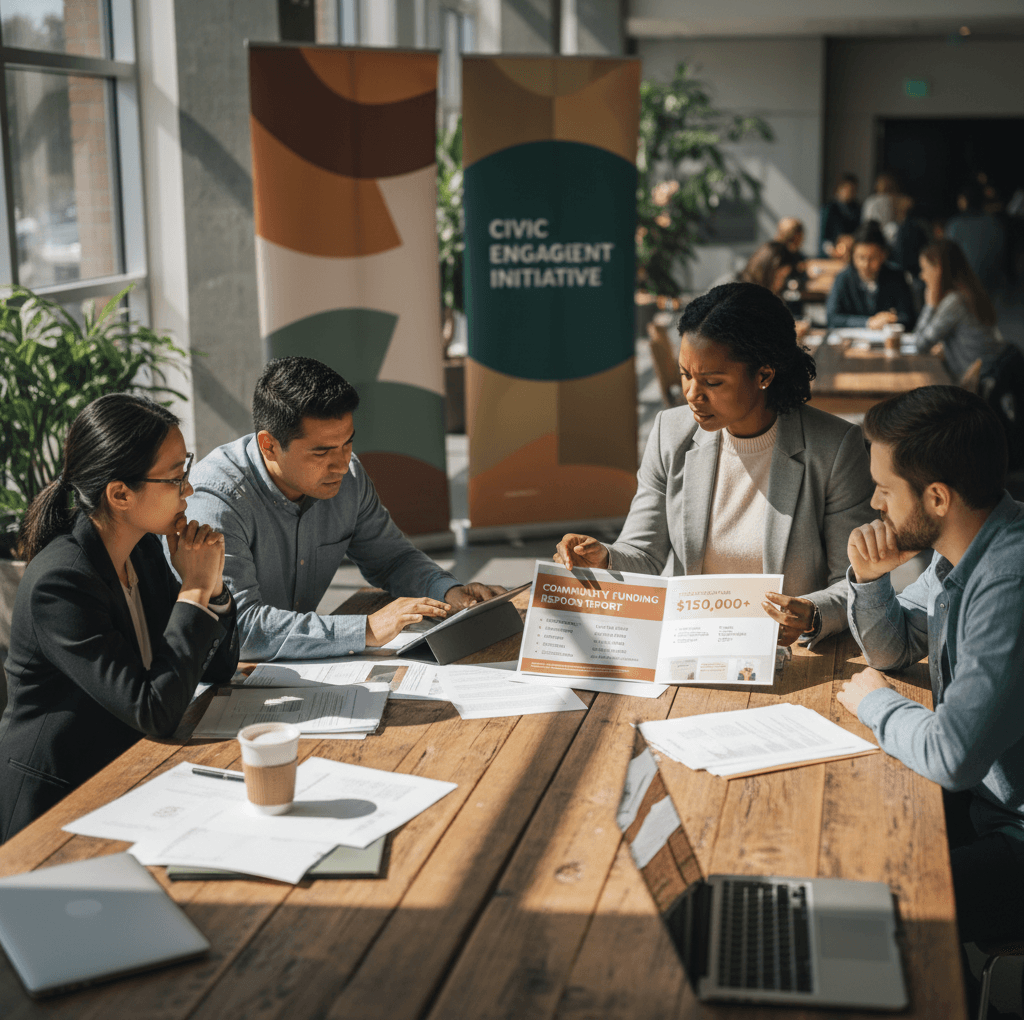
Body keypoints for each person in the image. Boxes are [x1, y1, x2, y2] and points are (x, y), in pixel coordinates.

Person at [835, 386, 1024, 1015]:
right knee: (850, 839)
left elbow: (952, 755)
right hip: (986, 807)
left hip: (1013, 836)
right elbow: (893, 650)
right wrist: (869, 579)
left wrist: (875, 703)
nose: (873, 503)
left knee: (862, 911)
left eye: (885, 489)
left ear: (937, 497)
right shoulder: (963, 555)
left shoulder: (1009, 583)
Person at [554, 283, 875, 647]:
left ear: (765, 375)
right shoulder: (670, 433)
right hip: (690, 643)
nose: (692, 395)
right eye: (686, 375)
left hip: (786, 654)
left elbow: (854, 581)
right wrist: (604, 557)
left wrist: (812, 614)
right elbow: (644, 552)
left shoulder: (833, 448)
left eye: (712, 382)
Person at [0, 394, 238, 843]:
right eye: (176, 477)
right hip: (54, 807)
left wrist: (213, 587)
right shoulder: (61, 583)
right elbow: (152, 710)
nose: (188, 490)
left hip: (127, 778)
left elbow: (216, 667)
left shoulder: (143, 549)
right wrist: (192, 590)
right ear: (120, 493)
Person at [185, 356, 503, 662]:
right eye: (321, 452)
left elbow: (393, 559)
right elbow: (240, 628)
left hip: (290, 666)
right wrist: (366, 629)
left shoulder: (348, 476)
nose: (340, 464)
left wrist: (449, 592)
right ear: (269, 445)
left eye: (347, 443)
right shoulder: (215, 499)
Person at [914, 239, 1003, 382]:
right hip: (988, 378)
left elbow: (919, 345)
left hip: (970, 387)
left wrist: (930, 305)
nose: (922, 276)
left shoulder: (954, 302)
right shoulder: (969, 293)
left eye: (924, 269)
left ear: (938, 270)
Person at [826, 221, 916, 330]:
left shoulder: (897, 277)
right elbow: (832, 317)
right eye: (861, 257)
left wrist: (891, 319)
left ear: (883, 255)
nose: (866, 265)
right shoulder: (843, 278)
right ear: (853, 255)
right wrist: (868, 323)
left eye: (872, 258)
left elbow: (909, 317)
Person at [945, 181, 1008, 295]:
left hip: (969, 288)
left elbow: (949, 259)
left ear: (964, 200)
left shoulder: (955, 226)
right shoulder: (994, 222)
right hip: (996, 284)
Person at [819, 173, 861, 256]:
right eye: (848, 189)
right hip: (831, 252)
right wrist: (832, 250)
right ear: (840, 189)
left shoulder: (857, 208)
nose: (851, 193)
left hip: (849, 252)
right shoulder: (830, 208)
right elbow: (824, 238)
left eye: (854, 190)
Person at [860, 171, 901, 244]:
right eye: (881, 183)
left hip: (888, 232)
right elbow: (867, 221)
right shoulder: (871, 201)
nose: (884, 186)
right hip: (872, 232)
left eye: (886, 184)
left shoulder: (892, 201)